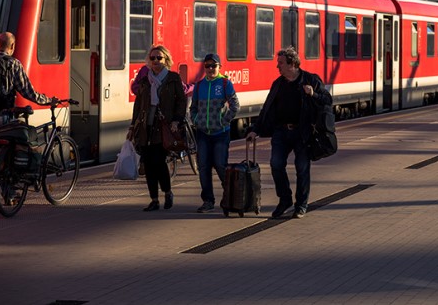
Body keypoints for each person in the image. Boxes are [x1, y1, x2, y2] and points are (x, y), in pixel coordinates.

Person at [246, 46, 332, 219]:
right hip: (281, 132)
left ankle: (301, 205)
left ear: (292, 64)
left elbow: (327, 101)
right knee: (276, 164)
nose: (278, 67)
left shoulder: (310, 80)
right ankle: (285, 199)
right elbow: (267, 108)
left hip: (303, 132)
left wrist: (313, 94)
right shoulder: (278, 84)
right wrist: (255, 130)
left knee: (302, 168)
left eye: (281, 63)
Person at [0, 32, 56, 214]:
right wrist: (47, 101)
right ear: (12, 47)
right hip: (4, 116)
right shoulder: (13, 64)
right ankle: (8, 194)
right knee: (10, 153)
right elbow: (28, 92)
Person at [128, 45, 186, 212]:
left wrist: (176, 120)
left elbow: (181, 101)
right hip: (146, 127)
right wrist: (132, 126)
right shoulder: (146, 80)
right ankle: (154, 199)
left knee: (159, 163)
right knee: (148, 165)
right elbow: (138, 105)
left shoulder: (173, 78)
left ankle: (167, 192)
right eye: (152, 58)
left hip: (164, 127)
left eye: (159, 58)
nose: (155, 61)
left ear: (165, 60)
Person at [190, 53, 239, 213]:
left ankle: (231, 196)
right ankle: (208, 201)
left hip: (220, 133)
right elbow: (193, 107)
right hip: (203, 132)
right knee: (203, 167)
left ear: (219, 67)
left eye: (214, 65)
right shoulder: (199, 86)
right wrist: (196, 120)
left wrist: (224, 121)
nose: (210, 68)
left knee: (220, 165)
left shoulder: (225, 83)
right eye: (207, 66)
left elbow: (235, 106)